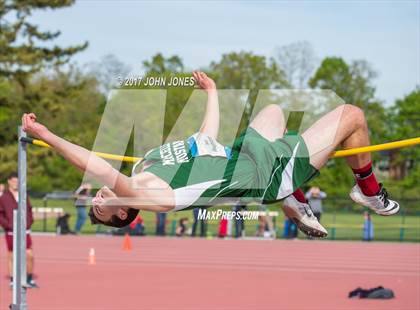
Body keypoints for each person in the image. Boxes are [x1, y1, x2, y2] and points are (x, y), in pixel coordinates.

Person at [21, 71, 400, 238]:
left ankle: (292, 197)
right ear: (123, 211)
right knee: (352, 116)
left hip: (241, 152)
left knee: (273, 112)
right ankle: (366, 190)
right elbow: (95, 164)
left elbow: (204, 139)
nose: (99, 200)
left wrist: (213, 93)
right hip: (261, 173)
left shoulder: (145, 164)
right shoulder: (145, 196)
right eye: (103, 209)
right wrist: (47, 134)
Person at [0, 172, 38, 288]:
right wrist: (7, 225)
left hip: (24, 230)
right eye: (14, 181)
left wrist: (29, 221)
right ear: (9, 181)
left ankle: (29, 278)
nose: (16, 183)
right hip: (11, 231)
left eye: (17, 181)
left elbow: (29, 210)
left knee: (29, 254)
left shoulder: (23, 194)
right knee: (12, 255)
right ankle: (13, 280)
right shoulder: (4, 196)